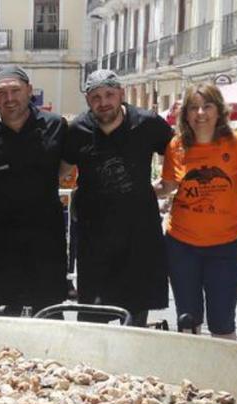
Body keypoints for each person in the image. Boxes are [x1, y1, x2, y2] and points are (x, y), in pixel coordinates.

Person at [60, 70, 173, 326]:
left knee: (136, 316)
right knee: (92, 317)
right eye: (96, 97)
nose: (104, 102)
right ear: (88, 101)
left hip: (139, 235)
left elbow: (178, 151)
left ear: (121, 94)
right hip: (94, 237)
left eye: (109, 94)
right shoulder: (78, 129)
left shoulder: (147, 123)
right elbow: (61, 169)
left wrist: (165, 186)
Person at [0, 64, 69, 316]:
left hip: (45, 238)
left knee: (49, 313)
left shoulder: (55, 126)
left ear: (29, 90)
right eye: (2, 93)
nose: (9, 98)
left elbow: (65, 169)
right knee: (4, 317)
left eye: (15, 91)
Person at [155, 83, 237, 339]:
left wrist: (229, 198)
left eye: (207, 106)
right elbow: (167, 186)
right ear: (185, 114)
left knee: (222, 322)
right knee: (188, 319)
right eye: (193, 108)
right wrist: (132, 192)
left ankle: (222, 379)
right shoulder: (176, 146)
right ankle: (191, 377)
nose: (200, 113)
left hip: (226, 246)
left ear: (219, 110)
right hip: (181, 245)